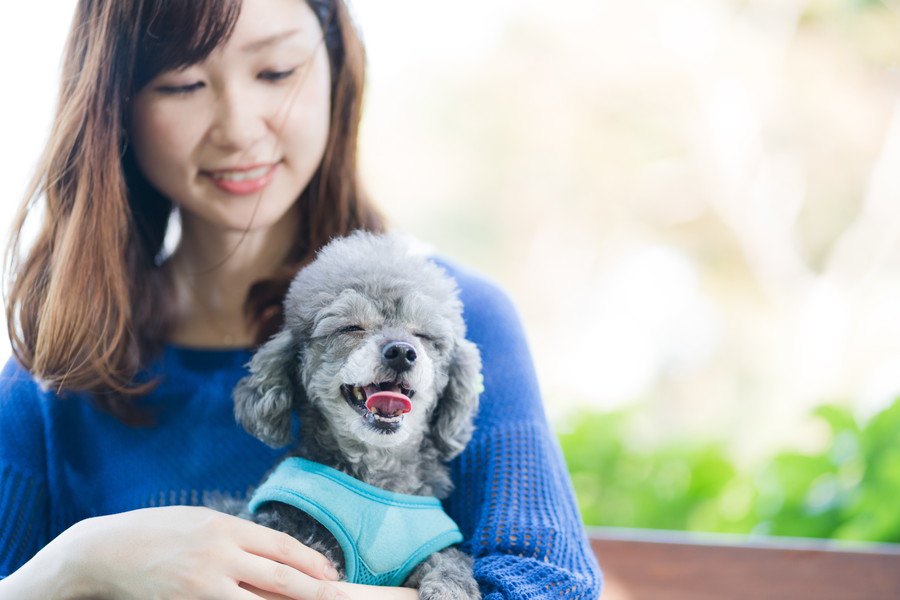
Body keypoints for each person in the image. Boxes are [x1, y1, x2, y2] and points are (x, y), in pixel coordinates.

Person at [0, 0, 602, 598]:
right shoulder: (59, 365)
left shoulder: (463, 323)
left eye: (276, 72)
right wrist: (78, 564)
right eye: (183, 83)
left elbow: (551, 588)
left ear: (337, 71)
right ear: (115, 104)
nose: (237, 128)